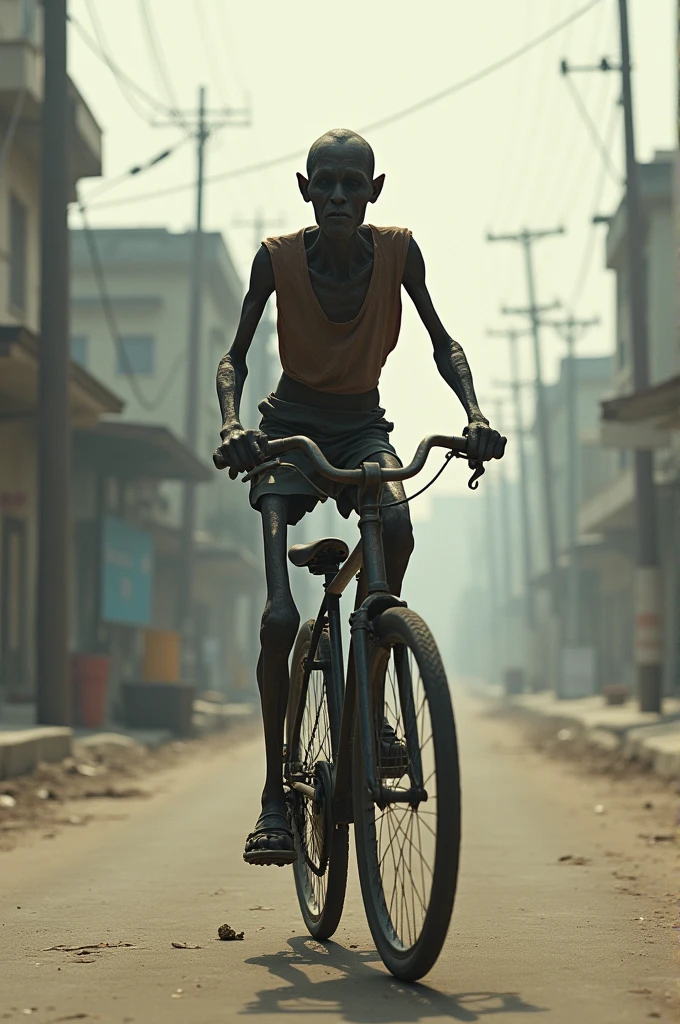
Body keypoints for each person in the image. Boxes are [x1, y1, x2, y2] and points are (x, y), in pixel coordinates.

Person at [216, 128, 506, 866]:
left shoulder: (400, 254)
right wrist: (232, 425)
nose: (340, 196)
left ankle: (373, 708)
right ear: (305, 190)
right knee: (280, 614)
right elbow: (235, 358)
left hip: (362, 427)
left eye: (354, 183)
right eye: (327, 184)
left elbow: (445, 343)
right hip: (287, 430)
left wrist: (473, 412)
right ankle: (273, 800)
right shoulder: (277, 259)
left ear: (375, 191)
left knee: (399, 527)